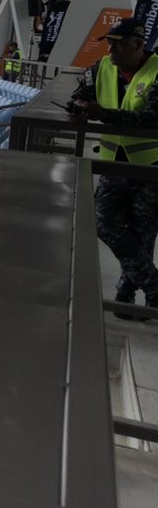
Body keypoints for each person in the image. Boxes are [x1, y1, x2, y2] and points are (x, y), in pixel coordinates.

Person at [69, 20, 158, 308]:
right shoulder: (101, 68)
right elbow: (79, 96)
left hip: (149, 167)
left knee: (142, 234)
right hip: (113, 164)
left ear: (137, 45)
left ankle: (126, 296)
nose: (111, 50)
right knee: (105, 223)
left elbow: (153, 119)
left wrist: (104, 114)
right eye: (109, 43)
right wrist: (80, 109)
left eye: (118, 44)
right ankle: (154, 287)